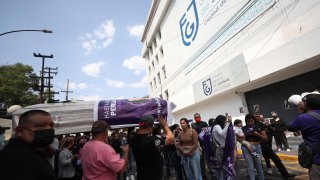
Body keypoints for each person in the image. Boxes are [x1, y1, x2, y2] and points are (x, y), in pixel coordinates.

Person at [0, 109, 56, 180]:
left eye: (51, 125)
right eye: (40, 125)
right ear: (20, 131)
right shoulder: (15, 159)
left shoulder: (31, 151)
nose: (49, 129)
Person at [130, 115, 174, 180]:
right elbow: (171, 138)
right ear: (151, 126)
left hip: (141, 175)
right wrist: (165, 125)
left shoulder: (133, 139)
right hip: (154, 176)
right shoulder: (153, 139)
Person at [287, 93, 320, 179]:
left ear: (306, 104)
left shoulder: (303, 118)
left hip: (317, 160)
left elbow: (290, 127)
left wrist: (301, 111)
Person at [255, 114, 296, 179]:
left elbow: (269, 129)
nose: (258, 117)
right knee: (257, 160)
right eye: (256, 116)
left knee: (276, 159)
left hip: (265, 146)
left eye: (258, 116)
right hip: (256, 147)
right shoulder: (251, 126)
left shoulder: (261, 124)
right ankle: (255, 174)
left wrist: (271, 127)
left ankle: (285, 174)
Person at [242, 114, 267, 180]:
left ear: (254, 120)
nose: (250, 123)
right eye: (248, 121)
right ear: (246, 121)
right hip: (247, 149)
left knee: (258, 164)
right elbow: (240, 139)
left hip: (256, 149)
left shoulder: (259, 127)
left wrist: (257, 134)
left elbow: (265, 138)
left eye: (251, 121)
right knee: (250, 166)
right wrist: (244, 136)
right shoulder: (243, 128)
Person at [211, 115, 235, 180]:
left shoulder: (216, 126)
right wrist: (228, 124)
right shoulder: (216, 126)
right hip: (221, 149)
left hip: (221, 149)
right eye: (224, 121)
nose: (225, 122)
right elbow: (222, 134)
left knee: (223, 167)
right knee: (222, 167)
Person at [191, 113, 208, 178]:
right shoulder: (193, 125)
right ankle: (203, 173)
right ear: (194, 118)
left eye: (198, 117)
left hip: (205, 144)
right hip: (198, 145)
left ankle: (212, 172)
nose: (197, 118)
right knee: (201, 160)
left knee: (208, 158)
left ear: (200, 117)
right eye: (196, 117)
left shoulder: (204, 123)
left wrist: (205, 130)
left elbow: (208, 131)